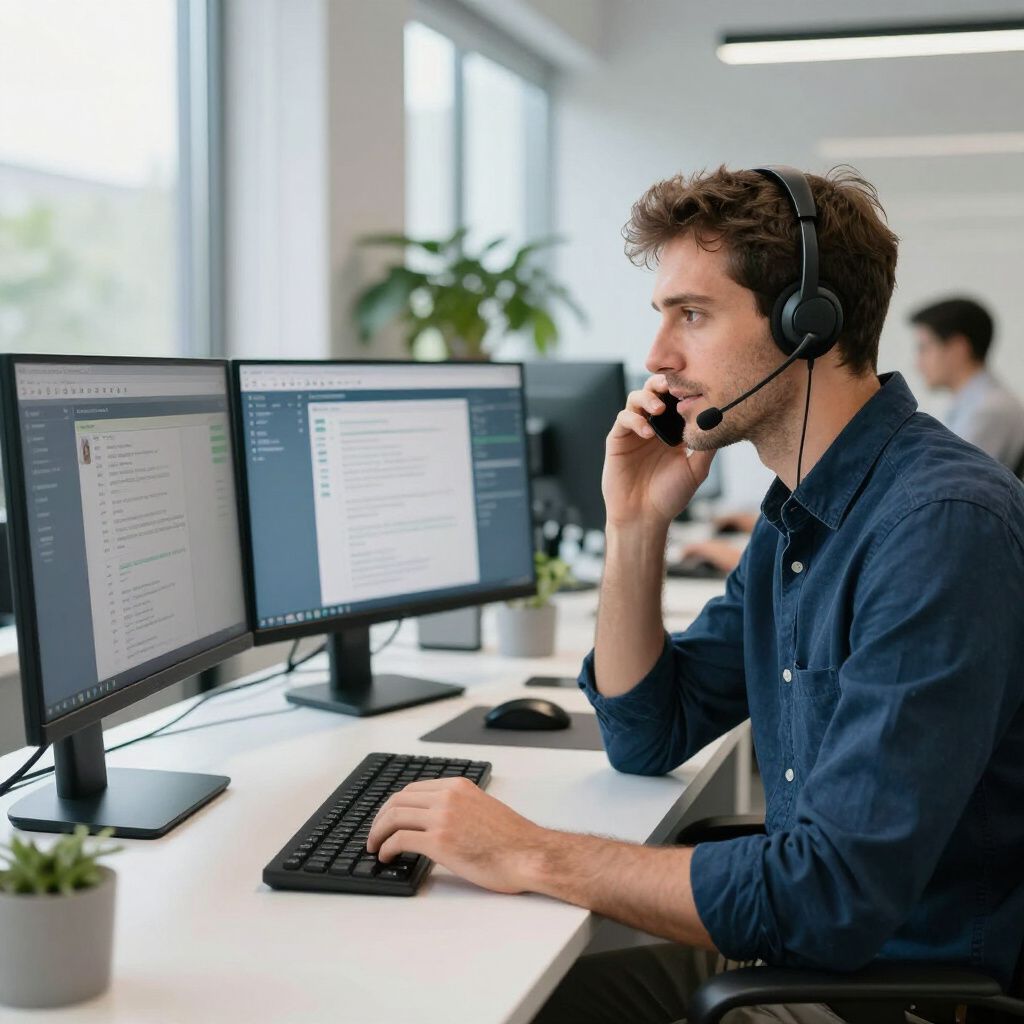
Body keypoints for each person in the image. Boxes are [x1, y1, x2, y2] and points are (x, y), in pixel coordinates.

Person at [367, 167, 1024, 1023]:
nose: (658, 358)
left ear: (808, 324)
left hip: (885, 996)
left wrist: (528, 851)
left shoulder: (937, 527)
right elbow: (648, 731)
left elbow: (832, 895)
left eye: (694, 315)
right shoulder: (802, 514)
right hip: (808, 961)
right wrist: (636, 525)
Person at [911, 296, 1024, 475]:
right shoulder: (972, 404)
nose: (917, 363)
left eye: (924, 348)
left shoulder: (989, 410)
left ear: (958, 348)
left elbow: (949, 479)